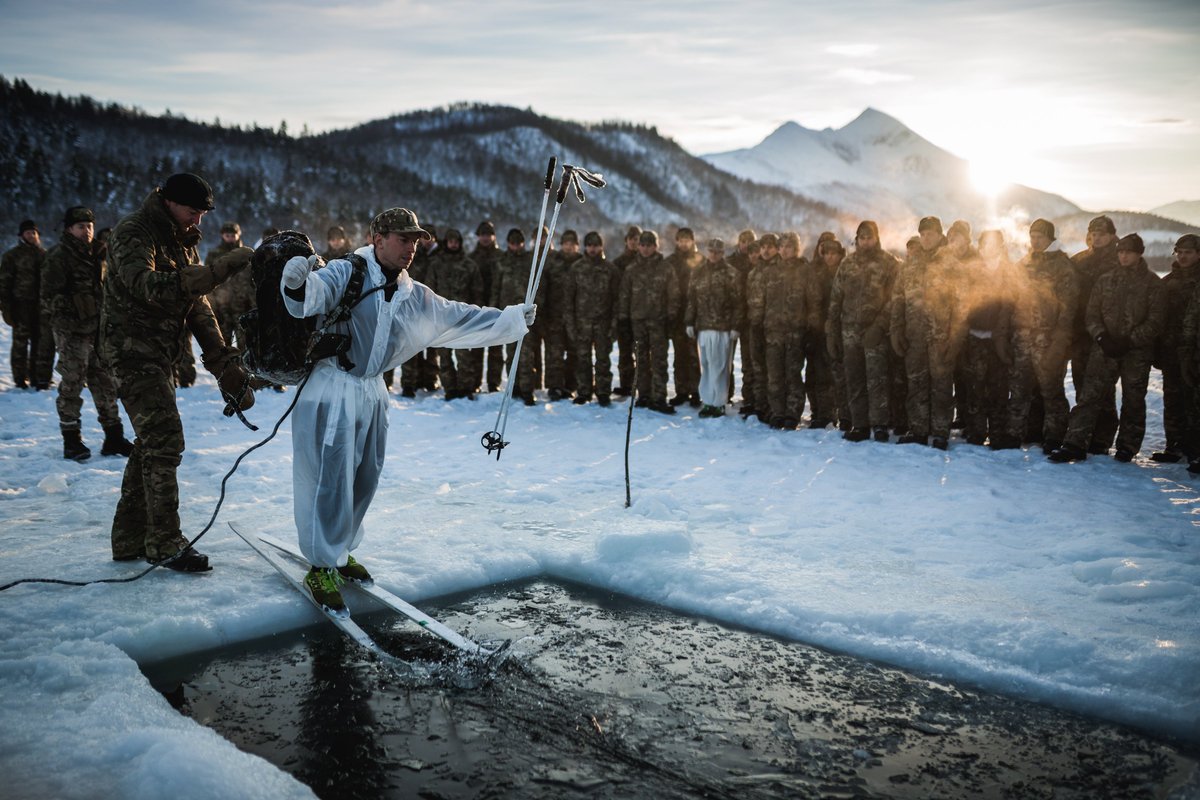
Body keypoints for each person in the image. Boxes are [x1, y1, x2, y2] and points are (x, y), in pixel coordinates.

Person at [279, 207, 535, 611]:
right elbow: (310, 296)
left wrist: (510, 320)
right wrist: (295, 285)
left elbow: (457, 317)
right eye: (403, 238)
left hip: (370, 391)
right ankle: (321, 563)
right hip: (332, 388)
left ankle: (340, 552)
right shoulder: (348, 272)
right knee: (329, 476)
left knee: (366, 474)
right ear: (378, 239)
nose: (411, 247)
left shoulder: (412, 293)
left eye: (416, 240)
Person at [100, 172, 255, 571]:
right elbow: (147, 286)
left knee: (152, 443)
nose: (198, 221)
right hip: (130, 351)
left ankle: (129, 538)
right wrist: (219, 270)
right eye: (193, 211)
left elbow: (197, 305)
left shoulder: (180, 239)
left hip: (159, 354)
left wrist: (222, 362)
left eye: (203, 214)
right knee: (165, 440)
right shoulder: (134, 232)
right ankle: (165, 541)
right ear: (169, 201)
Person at [1049, 233, 1164, 463]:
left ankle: (1127, 447)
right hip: (1104, 347)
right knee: (1090, 396)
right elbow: (1092, 314)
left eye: (1128, 252)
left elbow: (1156, 320)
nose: (1123, 256)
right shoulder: (1106, 280)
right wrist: (1102, 338)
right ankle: (1074, 443)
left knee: (1133, 399)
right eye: (1120, 252)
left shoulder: (1152, 284)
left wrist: (1131, 340)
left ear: (1139, 253)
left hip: (1136, 352)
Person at [41, 206, 133, 461]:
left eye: (89, 226)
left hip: (99, 331)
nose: (87, 231)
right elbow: (48, 297)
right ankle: (72, 440)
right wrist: (78, 307)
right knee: (72, 383)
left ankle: (113, 436)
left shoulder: (100, 254)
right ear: (69, 229)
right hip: (72, 332)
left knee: (106, 384)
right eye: (81, 227)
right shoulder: (58, 256)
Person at [826, 221, 899, 442]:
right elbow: (836, 299)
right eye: (862, 237)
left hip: (875, 333)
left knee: (877, 380)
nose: (866, 241)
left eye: (870, 237)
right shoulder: (847, 264)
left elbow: (894, 299)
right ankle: (860, 424)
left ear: (876, 238)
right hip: (849, 333)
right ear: (856, 239)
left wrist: (879, 326)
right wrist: (832, 331)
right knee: (854, 379)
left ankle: (879, 425)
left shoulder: (888, 264)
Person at [1011, 218, 1078, 454]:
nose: (1035, 241)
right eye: (1032, 236)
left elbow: (1068, 308)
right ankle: (1015, 433)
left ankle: (1054, 436)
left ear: (1050, 238)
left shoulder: (1062, 266)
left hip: (1048, 339)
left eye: (1040, 236)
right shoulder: (1024, 264)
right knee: (1019, 388)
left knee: (1051, 390)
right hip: (1022, 337)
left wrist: (1060, 341)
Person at [1069, 215, 1121, 454]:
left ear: (1111, 236)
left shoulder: (1120, 261)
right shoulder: (1079, 260)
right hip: (1080, 332)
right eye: (1093, 233)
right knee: (1081, 384)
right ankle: (1085, 433)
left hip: (1107, 334)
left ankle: (1102, 437)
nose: (1096, 238)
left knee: (1103, 387)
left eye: (1101, 234)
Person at [618, 230, 679, 414]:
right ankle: (643, 394)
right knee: (642, 360)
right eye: (642, 245)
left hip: (658, 321)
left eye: (649, 245)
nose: (645, 249)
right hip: (638, 322)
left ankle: (659, 396)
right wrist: (623, 319)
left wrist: (671, 317)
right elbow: (624, 295)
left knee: (660, 360)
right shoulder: (631, 269)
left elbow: (673, 295)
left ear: (656, 246)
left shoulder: (666, 267)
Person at [1151, 233, 1200, 462]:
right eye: (1179, 252)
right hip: (1171, 351)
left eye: (1188, 252)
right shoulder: (1168, 282)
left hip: (1195, 352)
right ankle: (1174, 446)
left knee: (1195, 401)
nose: (1182, 256)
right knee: (1172, 399)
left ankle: (1195, 449)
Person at [424, 228, 484, 400]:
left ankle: (466, 387)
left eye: (456, 241)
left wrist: (475, 312)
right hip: (441, 316)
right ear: (446, 242)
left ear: (460, 243)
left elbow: (477, 291)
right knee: (444, 355)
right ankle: (449, 388)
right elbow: (429, 289)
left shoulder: (469, 265)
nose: (453, 244)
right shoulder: (437, 264)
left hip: (463, 316)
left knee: (464, 353)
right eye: (450, 241)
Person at [686, 238, 743, 418]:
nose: (714, 255)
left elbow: (739, 303)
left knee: (720, 367)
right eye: (711, 251)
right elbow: (692, 300)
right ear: (707, 251)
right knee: (706, 366)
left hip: (723, 328)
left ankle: (718, 402)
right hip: (703, 327)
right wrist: (689, 321)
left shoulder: (731, 274)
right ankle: (707, 401)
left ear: (722, 253)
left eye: (718, 252)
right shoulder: (698, 272)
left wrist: (736, 326)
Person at [491, 227, 544, 404]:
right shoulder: (502, 261)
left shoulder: (530, 259)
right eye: (512, 243)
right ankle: (513, 388)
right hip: (507, 314)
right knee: (511, 354)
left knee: (527, 355)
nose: (515, 246)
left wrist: (537, 307)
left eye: (518, 243)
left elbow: (539, 286)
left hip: (526, 315)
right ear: (508, 243)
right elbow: (496, 287)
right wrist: (494, 310)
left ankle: (528, 390)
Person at [567, 231, 619, 406]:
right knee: (582, 359)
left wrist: (614, 325)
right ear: (585, 246)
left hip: (603, 324)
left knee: (603, 359)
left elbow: (616, 300)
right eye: (589, 245)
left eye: (596, 245)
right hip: (582, 323)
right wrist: (571, 324)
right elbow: (569, 299)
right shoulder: (576, 268)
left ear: (601, 247)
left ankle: (603, 392)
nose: (593, 249)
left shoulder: (610, 269)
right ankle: (584, 392)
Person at [0, 219, 54, 389]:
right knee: (20, 343)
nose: (32, 235)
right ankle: (19, 378)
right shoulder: (11, 256)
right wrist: (6, 307)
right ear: (22, 235)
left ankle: (36, 376)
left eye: (34, 232)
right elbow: (4, 283)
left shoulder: (44, 254)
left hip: (41, 306)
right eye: (28, 232)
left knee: (40, 342)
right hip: (20, 305)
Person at [664, 227, 703, 407]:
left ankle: (696, 391)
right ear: (677, 242)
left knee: (694, 357)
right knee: (679, 356)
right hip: (676, 316)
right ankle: (681, 391)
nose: (684, 243)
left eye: (688, 239)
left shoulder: (700, 261)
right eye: (681, 240)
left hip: (695, 317)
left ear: (693, 241)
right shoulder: (670, 262)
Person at [542, 229, 582, 401]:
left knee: (574, 353)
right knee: (554, 353)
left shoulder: (582, 264)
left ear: (576, 246)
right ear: (561, 245)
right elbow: (543, 287)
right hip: (555, 316)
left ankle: (570, 386)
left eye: (572, 244)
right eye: (566, 243)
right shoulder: (552, 262)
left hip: (576, 318)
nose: (568, 247)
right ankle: (555, 386)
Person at [206, 221, 252, 349]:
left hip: (242, 307)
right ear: (222, 235)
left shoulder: (247, 254)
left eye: (233, 235)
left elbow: (253, 283)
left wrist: (253, 306)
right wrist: (211, 306)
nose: (230, 238)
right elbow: (208, 280)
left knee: (245, 346)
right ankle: (227, 369)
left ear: (238, 235)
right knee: (222, 346)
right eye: (228, 235)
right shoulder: (214, 255)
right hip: (222, 308)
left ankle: (243, 369)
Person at [471, 221, 504, 392]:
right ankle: (475, 382)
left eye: (488, 234)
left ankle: (494, 383)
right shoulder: (471, 257)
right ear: (478, 236)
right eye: (482, 234)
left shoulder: (501, 256)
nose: (485, 238)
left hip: (497, 307)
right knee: (476, 347)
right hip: (477, 308)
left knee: (496, 348)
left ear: (493, 236)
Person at [610, 225, 642, 396]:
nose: (634, 242)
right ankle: (626, 385)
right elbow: (614, 291)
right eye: (631, 239)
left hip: (642, 314)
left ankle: (643, 386)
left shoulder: (646, 261)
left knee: (642, 353)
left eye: (637, 239)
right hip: (623, 314)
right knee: (624, 354)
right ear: (626, 241)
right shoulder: (618, 263)